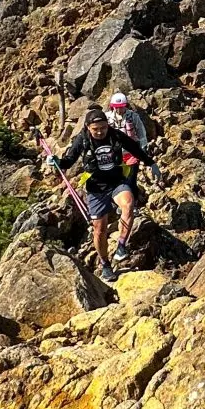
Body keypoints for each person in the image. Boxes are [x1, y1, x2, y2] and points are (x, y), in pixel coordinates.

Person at [51, 105, 161, 279]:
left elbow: (134, 148)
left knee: (129, 204)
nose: (100, 132)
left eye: (103, 127)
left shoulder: (115, 135)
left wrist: (151, 163)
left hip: (116, 182)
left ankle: (122, 246)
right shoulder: (83, 139)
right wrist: (56, 161)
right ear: (88, 127)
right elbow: (69, 160)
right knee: (99, 230)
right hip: (95, 188)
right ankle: (105, 264)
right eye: (96, 129)